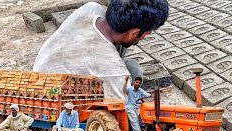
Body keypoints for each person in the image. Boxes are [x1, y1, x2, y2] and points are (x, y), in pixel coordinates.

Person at [33, 0, 169, 99]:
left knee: (124, 51)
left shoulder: (92, 8)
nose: (144, 38)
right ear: (134, 33)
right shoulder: (113, 73)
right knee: (133, 70)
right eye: (146, 34)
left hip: (44, 66)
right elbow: (122, 113)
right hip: (54, 95)